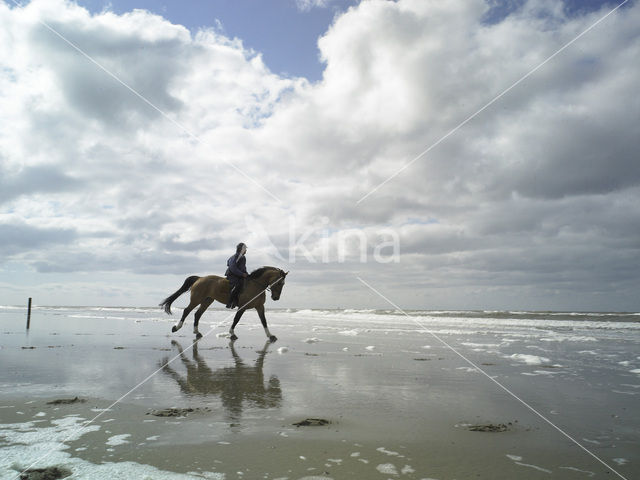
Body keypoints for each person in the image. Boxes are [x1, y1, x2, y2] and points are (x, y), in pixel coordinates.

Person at [225, 242, 248, 308]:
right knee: (237, 285)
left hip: (239, 275)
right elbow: (233, 268)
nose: (246, 251)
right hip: (232, 275)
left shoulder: (243, 257)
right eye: (245, 249)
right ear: (241, 249)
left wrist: (247, 274)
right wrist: (242, 274)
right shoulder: (235, 256)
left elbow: (243, 268)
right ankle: (230, 302)